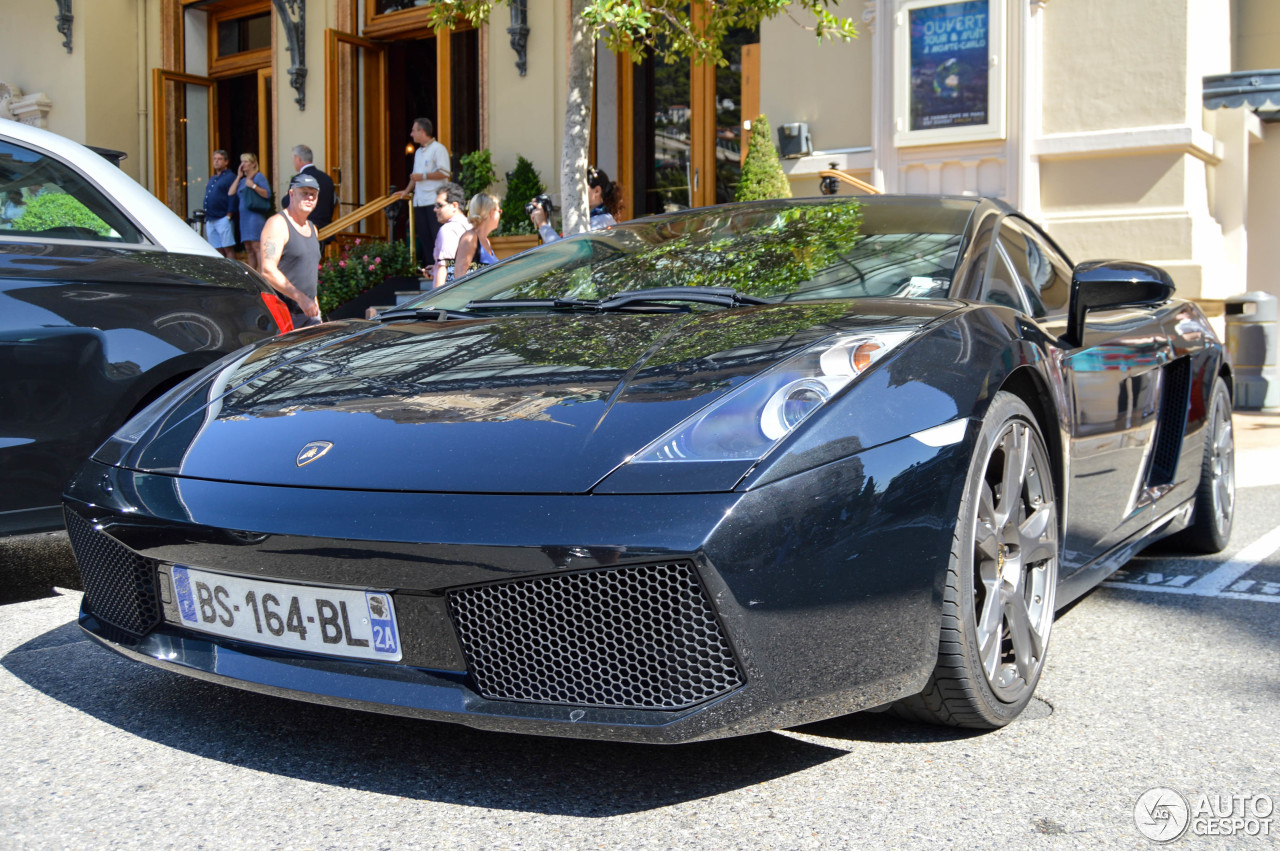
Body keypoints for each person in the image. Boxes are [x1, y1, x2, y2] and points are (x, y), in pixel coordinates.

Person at [259, 173, 323, 328]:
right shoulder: (278, 224)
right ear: (292, 194)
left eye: (313, 195)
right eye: (304, 193)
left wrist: (315, 307)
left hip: (309, 314)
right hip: (282, 314)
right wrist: (300, 298)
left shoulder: (312, 228)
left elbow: (309, 274)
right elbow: (268, 270)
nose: (309, 198)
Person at [399, 117, 450, 265]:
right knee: (424, 237)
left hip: (434, 200)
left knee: (437, 236)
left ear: (422, 131)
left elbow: (445, 172)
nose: (411, 134)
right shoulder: (418, 153)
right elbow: (415, 177)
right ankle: (430, 268)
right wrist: (405, 191)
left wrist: (424, 176)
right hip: (419, 200)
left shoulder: (438, 149)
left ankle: (443, 268)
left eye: (414, 131)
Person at [531, 165, 621, 243]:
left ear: (597, 191)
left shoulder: (601, 221)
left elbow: (566, 252)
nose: (575, 191)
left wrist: (543, 224)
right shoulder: (594, 218)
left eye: (580, 186)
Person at [229, 153, 271, 271]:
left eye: (246, 161)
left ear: (253, 164)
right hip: (244, 218)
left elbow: (267, 194)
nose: (243, 164)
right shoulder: (242, 181)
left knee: (256, 246)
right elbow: (231, 193)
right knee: (248, 247)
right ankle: (252, 274)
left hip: (255, 216)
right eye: (242, 162)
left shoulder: (258, 177)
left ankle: (262, 274)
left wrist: (253, 186)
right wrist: (238, 177)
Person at [430, 182, 472, 289]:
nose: (435, 209)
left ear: (454, 205)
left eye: (439, 205)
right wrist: (434, 269)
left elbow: (444, 267)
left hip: (453, 294)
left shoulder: (448, 229)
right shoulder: (471, 226)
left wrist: (435, 300)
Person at [283, 143, 336, 229]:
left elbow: (288, 203)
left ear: (298, 159)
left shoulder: (298, 179)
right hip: (326, 229)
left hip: (306, 228)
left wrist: (286, 196)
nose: (293, 162)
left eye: (293, 159)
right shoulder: (327, 178)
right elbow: (332, 204)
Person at [453, 193, 501, 279]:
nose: (500, 214)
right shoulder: (470, 238)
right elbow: (459, 275)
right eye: (499, 211)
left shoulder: (485, 240)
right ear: (491, 213)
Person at [203, 149, 237, 258]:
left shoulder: (230, 177)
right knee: (216, 248)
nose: (216, 161)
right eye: (215, 159)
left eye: (220, 159)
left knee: (228, 247)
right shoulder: (213, 178)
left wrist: (229, 215)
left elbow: (233, 196)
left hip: (223, 217)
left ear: (226, 162)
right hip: (210, 218)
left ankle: (233, 271)